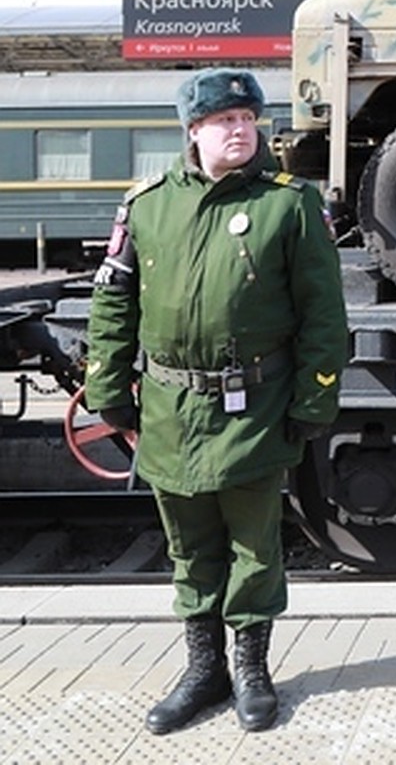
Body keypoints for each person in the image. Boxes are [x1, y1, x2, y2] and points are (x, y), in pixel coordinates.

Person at [85, 67, 348, 735]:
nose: (239, 130)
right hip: (171, 409)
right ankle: (204, 672)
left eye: (247, 119)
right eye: (224, 121)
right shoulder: (147, 204)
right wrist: (109, 390)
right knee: (189, 548)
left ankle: (253, 671)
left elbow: (324, 315)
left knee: (256, 547)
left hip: (254, 407)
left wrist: (314, 400)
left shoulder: (287, 205)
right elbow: (113, 304)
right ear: (194, 131)